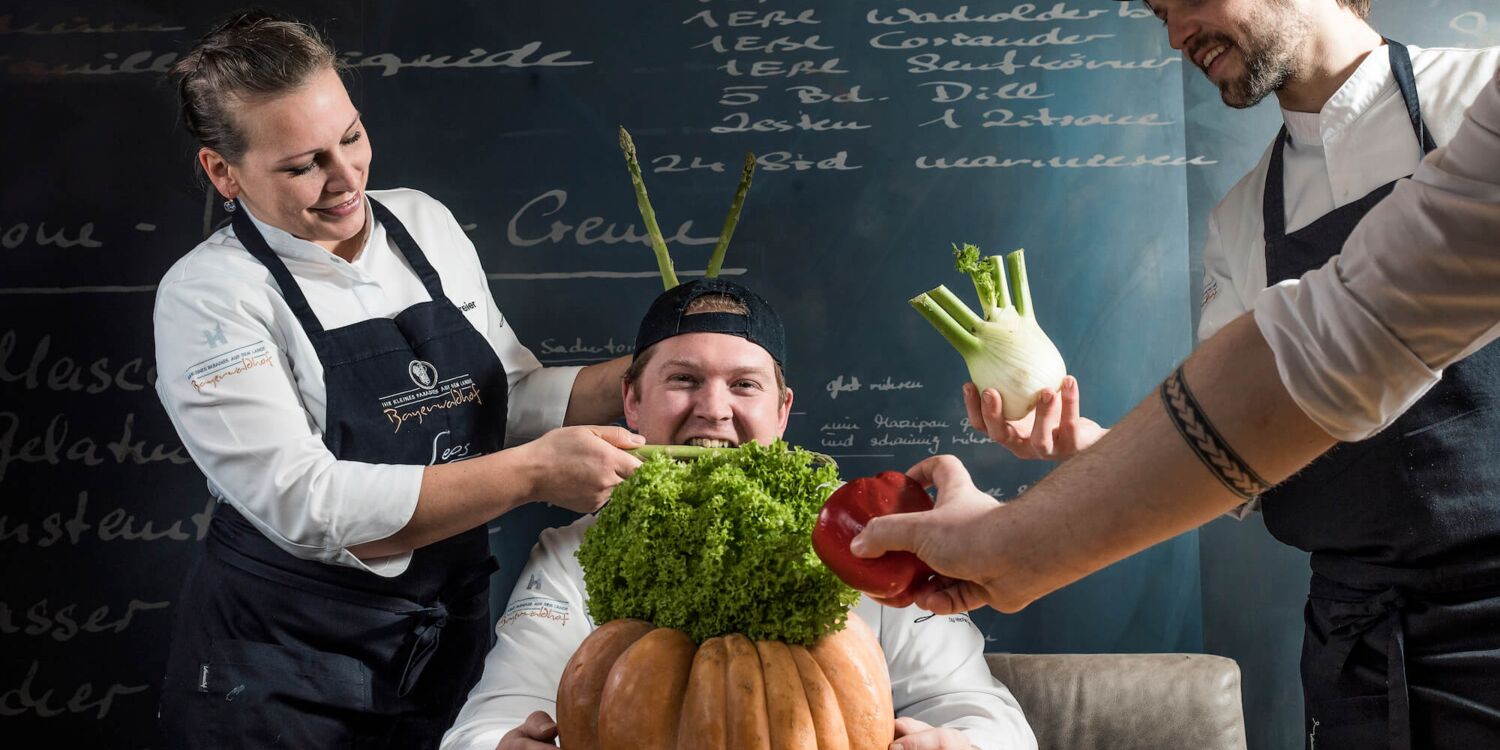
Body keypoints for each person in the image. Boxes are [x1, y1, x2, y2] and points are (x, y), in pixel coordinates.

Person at [861, 61, 1500, 750]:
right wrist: (1087, 451)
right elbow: (1257, 441)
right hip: (1359, 636)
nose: (1175, 31)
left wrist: (1011, 546)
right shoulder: (1242, 217)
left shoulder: (1472, 89)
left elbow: (1339, 340)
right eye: (1162, 10)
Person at [152, 12, 642, 748]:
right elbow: (307, 505)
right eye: (302, 164)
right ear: (223, 171)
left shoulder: (424, 224)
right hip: (283, 674)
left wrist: (658, 377)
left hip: (443, 646)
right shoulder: (211, 296)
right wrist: (535, 475)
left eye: (351, 136)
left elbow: (500, 398)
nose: (346, 178)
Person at [440, 279, 1037, 750]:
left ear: (783, 412)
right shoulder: (575, 552)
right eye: (683, 379)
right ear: (631, 401)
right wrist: (500, 744)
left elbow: (982, 714)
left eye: (744, 385)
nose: (713, 410)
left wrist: (964, 743)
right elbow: (490, 718)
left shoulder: (867, 537)